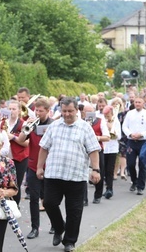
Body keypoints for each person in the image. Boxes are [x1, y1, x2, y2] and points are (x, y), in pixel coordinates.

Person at [36, 98, 101, 252]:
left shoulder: (85, 128)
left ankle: (69, 241)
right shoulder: (54, 126)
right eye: (64, 111)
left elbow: (93, 150)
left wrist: (96, 169)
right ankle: (59, 228)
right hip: (54, 174)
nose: (67, 114)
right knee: (49, 203)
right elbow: (44, 148)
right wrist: (39, 167)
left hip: (76, 175)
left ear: (76, 111)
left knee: (74, 211)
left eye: (70, 111)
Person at [16, 97, 53, 239]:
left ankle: (55, 224)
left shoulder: (53, 124)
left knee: (50, 200)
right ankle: (34, 228)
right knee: (33, 199)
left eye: (41, 111)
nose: (37, 113)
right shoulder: (32, 124)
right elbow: (20, 140)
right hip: (32, 165)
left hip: (49, 166)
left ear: (48, 111)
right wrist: (27, 128)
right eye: (36, 110)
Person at [122, 96, 146, 195]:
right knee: (130, 164)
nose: (137, 104)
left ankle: (140, 186)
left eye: (139, 102)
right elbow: (124, 126)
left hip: (143, 141)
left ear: (143, 103)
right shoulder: (129, 114)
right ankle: (134, 181)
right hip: (131, 141)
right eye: (136, 102)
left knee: (142, 164)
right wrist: (130, 134)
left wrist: (141, 134)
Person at [83, 104, 109, 204]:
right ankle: (84, 198)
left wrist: (96, 138)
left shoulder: (100, 121)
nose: (89, 114)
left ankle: (98, 195)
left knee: (99, 171)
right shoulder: (80, 122)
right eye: (87, 111)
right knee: (84, 173)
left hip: (97, 149)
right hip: (84, 150)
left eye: (91, 111)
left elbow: (107, 137)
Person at [5, 100, 29, 206]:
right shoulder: (3, 122)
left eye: (14, 109)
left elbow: (26, 143)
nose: (11, 111)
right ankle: (8, 205)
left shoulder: (23, 124)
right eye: (9, 109)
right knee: (5, 183)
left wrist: (13, 137)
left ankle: (15, 206)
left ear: (19, 111)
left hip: (19, 157)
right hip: (5, 156)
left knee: (16, 183)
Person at [102, 105, 121, 199]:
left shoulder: (116, 121)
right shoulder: (102, 121)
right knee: (103, 170)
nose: (107, 118)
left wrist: (111, 129)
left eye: (108, 116)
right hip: (103, 148)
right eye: (105, 116)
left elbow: (119, 136)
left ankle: (110, 189)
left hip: (113, 148)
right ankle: (104, 189)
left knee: (110, 169)